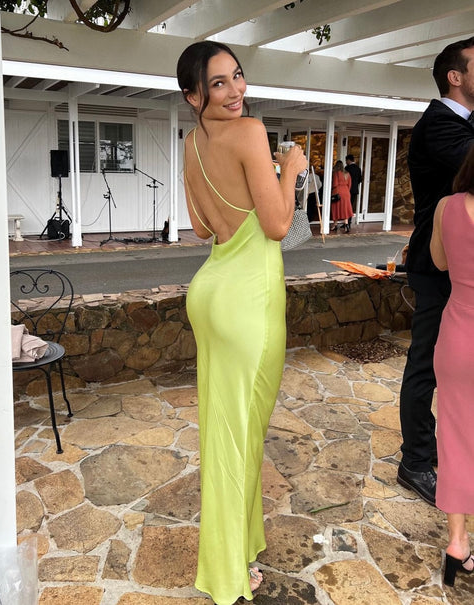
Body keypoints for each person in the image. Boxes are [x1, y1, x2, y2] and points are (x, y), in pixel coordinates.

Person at [176, 41, 307, 605]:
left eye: (237, 76)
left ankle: (241, 548)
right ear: (193, 95)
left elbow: (201, 227)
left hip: (210, 291)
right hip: (248, 301)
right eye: (218, 83)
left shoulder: (190, 144)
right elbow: (277, 226)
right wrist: (290, 171)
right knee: (240, 441)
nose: (235, 91)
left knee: (226, 435)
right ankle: (228, 571)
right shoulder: (252, 132)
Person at [397, 36, 474, 506]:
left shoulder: (463, 122)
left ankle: (437, 448)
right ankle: (415, 461)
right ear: (455, 76)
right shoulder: (440, 125)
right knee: (425, 364)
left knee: (452, 365)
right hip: (438, 264)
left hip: (460, 266)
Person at [430, 145, 474, 586]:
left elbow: (440, 261)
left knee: (456, 438)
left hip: (458, 335)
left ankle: (458, 543)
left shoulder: (446, 207)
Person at [330, 159, 352, 232]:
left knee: (336, 208)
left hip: (338, 192)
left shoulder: (336, 173)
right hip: (346, 192)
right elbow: (349, 185)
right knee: (345, 208)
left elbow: (335, 184)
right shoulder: (347, 174)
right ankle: (346, 224)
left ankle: (335, 225)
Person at [345, 154, 362, 228]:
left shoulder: (347, 168)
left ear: (348, 160)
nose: (346, 162)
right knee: (351, 205)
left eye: (346, 161)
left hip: (347, 189)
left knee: (346, 206)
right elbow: (360, 180)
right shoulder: (358, 168)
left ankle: (346, 221)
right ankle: (349, 221)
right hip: (354, 190)